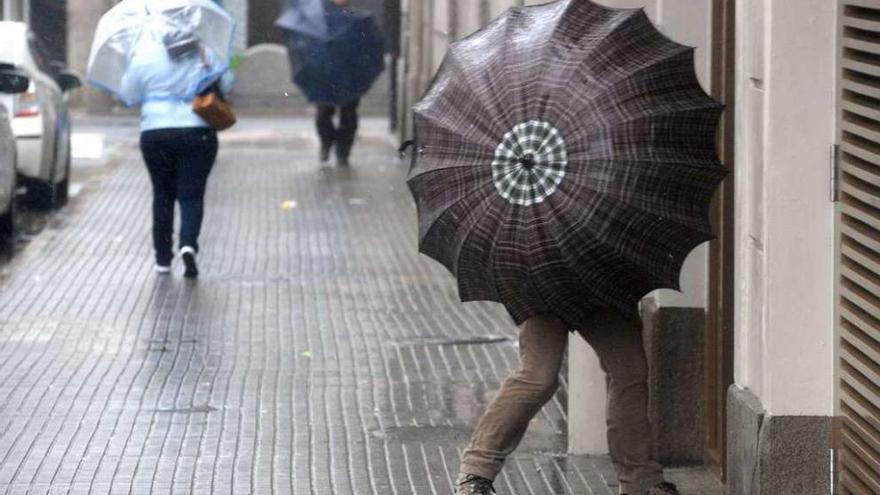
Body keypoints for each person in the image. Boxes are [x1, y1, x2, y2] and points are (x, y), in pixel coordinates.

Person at [455, 310, 680, 495]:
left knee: (629, 373)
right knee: (538, 377)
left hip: (604, 284)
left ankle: (641, 482)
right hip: (546, 284)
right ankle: (475, 472)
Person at [121, 28, 232, 279]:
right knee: (192, 195)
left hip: (155, 131)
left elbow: (129, 93)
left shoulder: (143, 52)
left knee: (162, 194)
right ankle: (188, 244)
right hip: (198, 130)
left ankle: (162, 260)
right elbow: (226, 82)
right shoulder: (203, 49)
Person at [316, 0, 360, 167]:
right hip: (327, 75)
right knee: (323, 113)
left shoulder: (357, 20)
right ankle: (327, 143)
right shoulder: (321, 18)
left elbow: (364, 49)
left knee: (348, 116)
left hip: (351, 76)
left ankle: (343, 151)